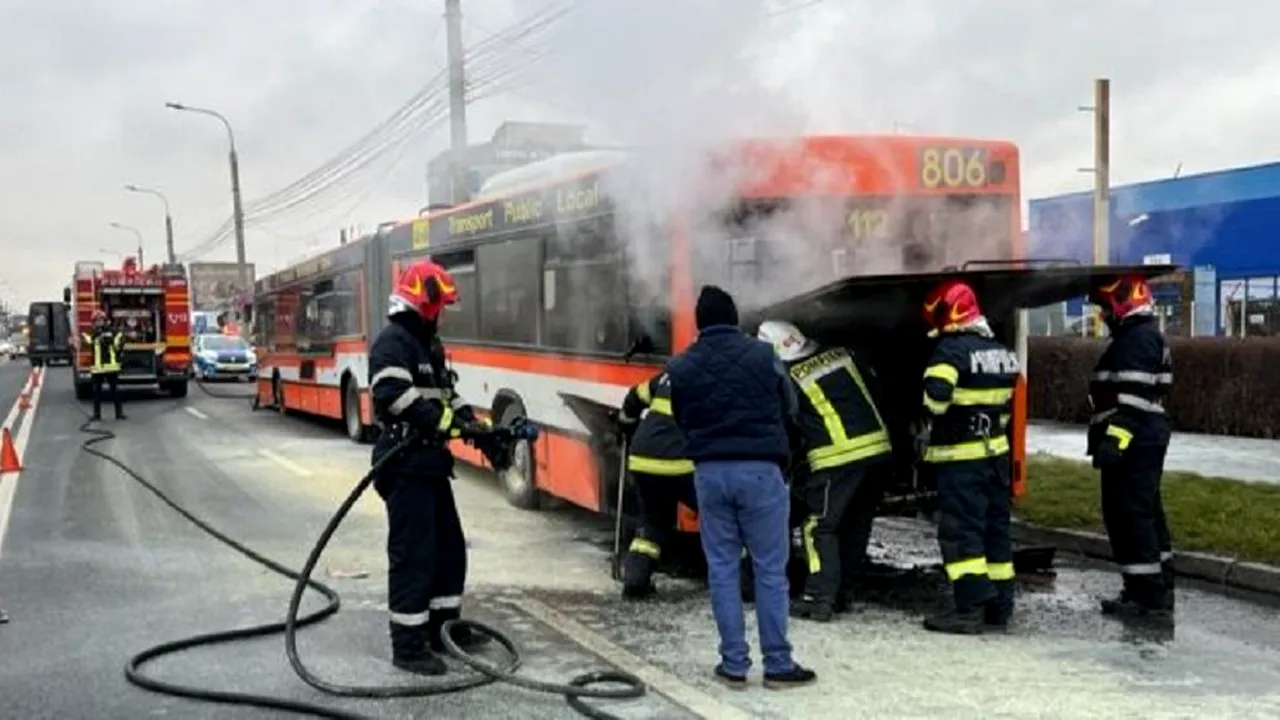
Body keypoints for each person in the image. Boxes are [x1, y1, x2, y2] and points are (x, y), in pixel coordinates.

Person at [666, 285, 816, 689]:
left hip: (710, 475)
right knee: (770, 570)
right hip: (761, 472)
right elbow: (791, 408)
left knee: (722, 569)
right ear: (734, 319)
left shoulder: (681, 366)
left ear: (699, 323)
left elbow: (681, 416)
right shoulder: (764, 356)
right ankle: (778, 665)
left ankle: (733, 665)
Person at [368, 259, 496, 675]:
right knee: (414, 555)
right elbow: (392, 393)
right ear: (423, 304)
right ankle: (408, 645)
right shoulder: (393, 343)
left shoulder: (428, 347)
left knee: (448, 548)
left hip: (429, 465)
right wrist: (445, 423)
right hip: (403, 463)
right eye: (438, 306)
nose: (441, 314)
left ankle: (444, 629)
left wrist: (476, 426)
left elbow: (447, 396)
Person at [756, 320, 895, 622]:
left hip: (838, 458)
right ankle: (842, 591)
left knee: (818, 527)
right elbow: (875, 387)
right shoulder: (843, 355)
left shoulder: (790, 377)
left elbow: (786, 425)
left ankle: (818, 597)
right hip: (878, 451)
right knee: (855, 525)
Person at [915, 279, 1019, 635]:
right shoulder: (1002, 351)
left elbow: (936, 400)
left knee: (962, 533)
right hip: (996, 458)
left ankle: (970, 607)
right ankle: (1000, 606)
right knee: (995, 531)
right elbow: (1004, 411)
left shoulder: (950, 351)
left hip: (961, 460)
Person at [1086, 274, 1175, 619]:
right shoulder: (1140, 337)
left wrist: (1115, 442)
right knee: (1146, 513)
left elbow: (1133, 402)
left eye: (1106, 308)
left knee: (1129, 517)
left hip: (1135, 441)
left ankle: (1146, 597)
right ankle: (1157, 587)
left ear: (1123, 305)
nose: (1104, 314)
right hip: (1144, 439)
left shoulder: (1138, 341)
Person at [615, 369, 698, 600]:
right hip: (681, 462)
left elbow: (634, 397)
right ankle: (744, 584)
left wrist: (625, 427)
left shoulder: (669, 375)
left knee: (652, 525)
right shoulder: (716, 374)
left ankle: (634, 584)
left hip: (643, 458)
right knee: (722, 518)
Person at [83, 311, 126, 421]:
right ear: (93, 322)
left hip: (111, 367)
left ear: (105, 320)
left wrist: (115, 340)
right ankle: (97, 415)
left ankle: (119, 413)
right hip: (97, 369)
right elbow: (86, 340)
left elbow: (119, 341)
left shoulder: (112, 332)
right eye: (96, 321)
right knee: (96, 393)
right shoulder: (92, 334)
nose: (99, 322)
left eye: (101, 320)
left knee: (115, 392)